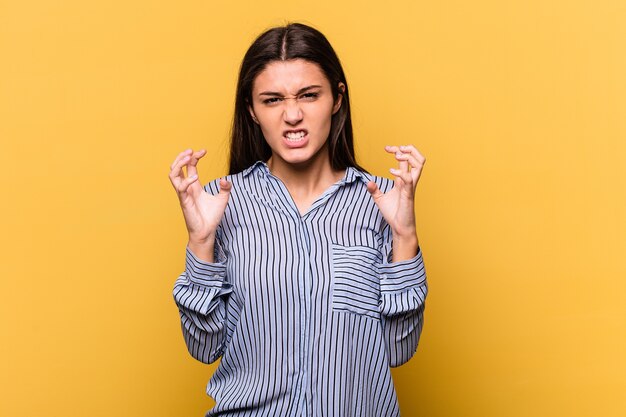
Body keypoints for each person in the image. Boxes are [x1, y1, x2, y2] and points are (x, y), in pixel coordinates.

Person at [169, 22, 428, 417]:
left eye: (309, 95)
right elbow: (204, 348)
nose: (292, 115)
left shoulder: (383, 204)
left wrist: (405, 237)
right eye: (272, 100)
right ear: (252, 111)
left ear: (336, 99)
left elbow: (398, 350)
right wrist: (201, 243)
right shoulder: (220, 204)